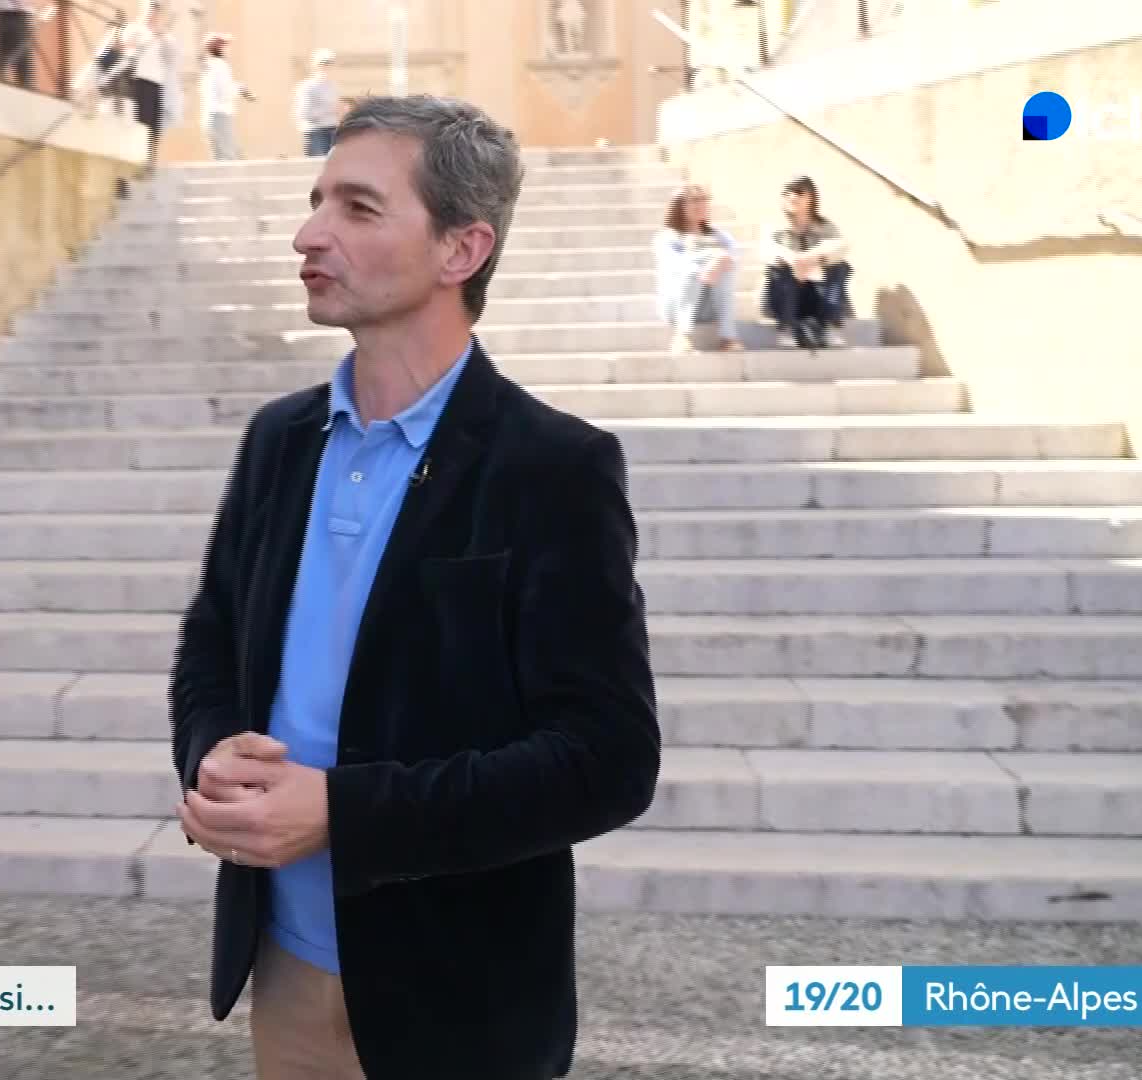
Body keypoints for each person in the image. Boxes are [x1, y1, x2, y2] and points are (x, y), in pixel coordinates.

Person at [170, 94, 661, 1080]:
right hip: (285, 972)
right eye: (316, 202)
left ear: (461, 249)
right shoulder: (278, 441)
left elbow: (607, 758)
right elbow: (211, 644)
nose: (309, 235)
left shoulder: (552, 466)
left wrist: (346, 814)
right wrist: (212, 748)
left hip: (460, 1003)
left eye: (357, 207)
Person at [763, 175, 852, 349]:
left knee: (840, 267)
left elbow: (842, 246)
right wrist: (793, 260)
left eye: (798, 192)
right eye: (787, 193)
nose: (792, 197)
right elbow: (766, 251)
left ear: (811, 197)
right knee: (781, 270)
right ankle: (787, 328)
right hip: (784, 297)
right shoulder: (775, 227)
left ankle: (831, 326)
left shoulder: (825, 226)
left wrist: (812, 258)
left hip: (817, 294)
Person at [653, 183, 743, 353]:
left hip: (709, 306)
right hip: (676, 305)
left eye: (704, 200)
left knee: (725, 270)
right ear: (680, 206)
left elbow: (733, 259)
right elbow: (677, 265)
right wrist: (713, 259)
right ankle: (682, 335)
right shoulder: (667, 238)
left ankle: (728, 337)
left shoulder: (721, 236)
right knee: (692, 270)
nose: (701, 204)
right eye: (694, 200)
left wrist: (719, 261)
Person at [112, 0, 182, 172]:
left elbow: (172, 57)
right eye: (151, 7)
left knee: (154, 124)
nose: (153, 12)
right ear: (143, 8)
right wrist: (148, 38)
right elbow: (124, 47)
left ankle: (149, 159)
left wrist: (163, 36)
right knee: (140, 122)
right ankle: (137, 159)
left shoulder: (162, 34)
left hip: (157, 83)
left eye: (156, 9)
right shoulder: (134, 29)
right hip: (138, 81)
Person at [201, 32, 254, 161]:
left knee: (224, 156)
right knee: (229, 158)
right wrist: (241, 89)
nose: (228, 48)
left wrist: (237, 86)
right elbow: (225, 92)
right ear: (219, 48)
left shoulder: (210, 66)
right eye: (225, 45)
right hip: (220, 116)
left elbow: (220, 88)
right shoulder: (220, 65)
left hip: (211, 117)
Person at [293, 49, 339, 157]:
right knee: (318, 164)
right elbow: (304, 114)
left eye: (330, 63)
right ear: (315, 65)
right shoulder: (307, 86)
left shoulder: (332, 86)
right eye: (323, 63)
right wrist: (330, 110)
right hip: (316, 132)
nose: (327, 66)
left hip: (333, 130)